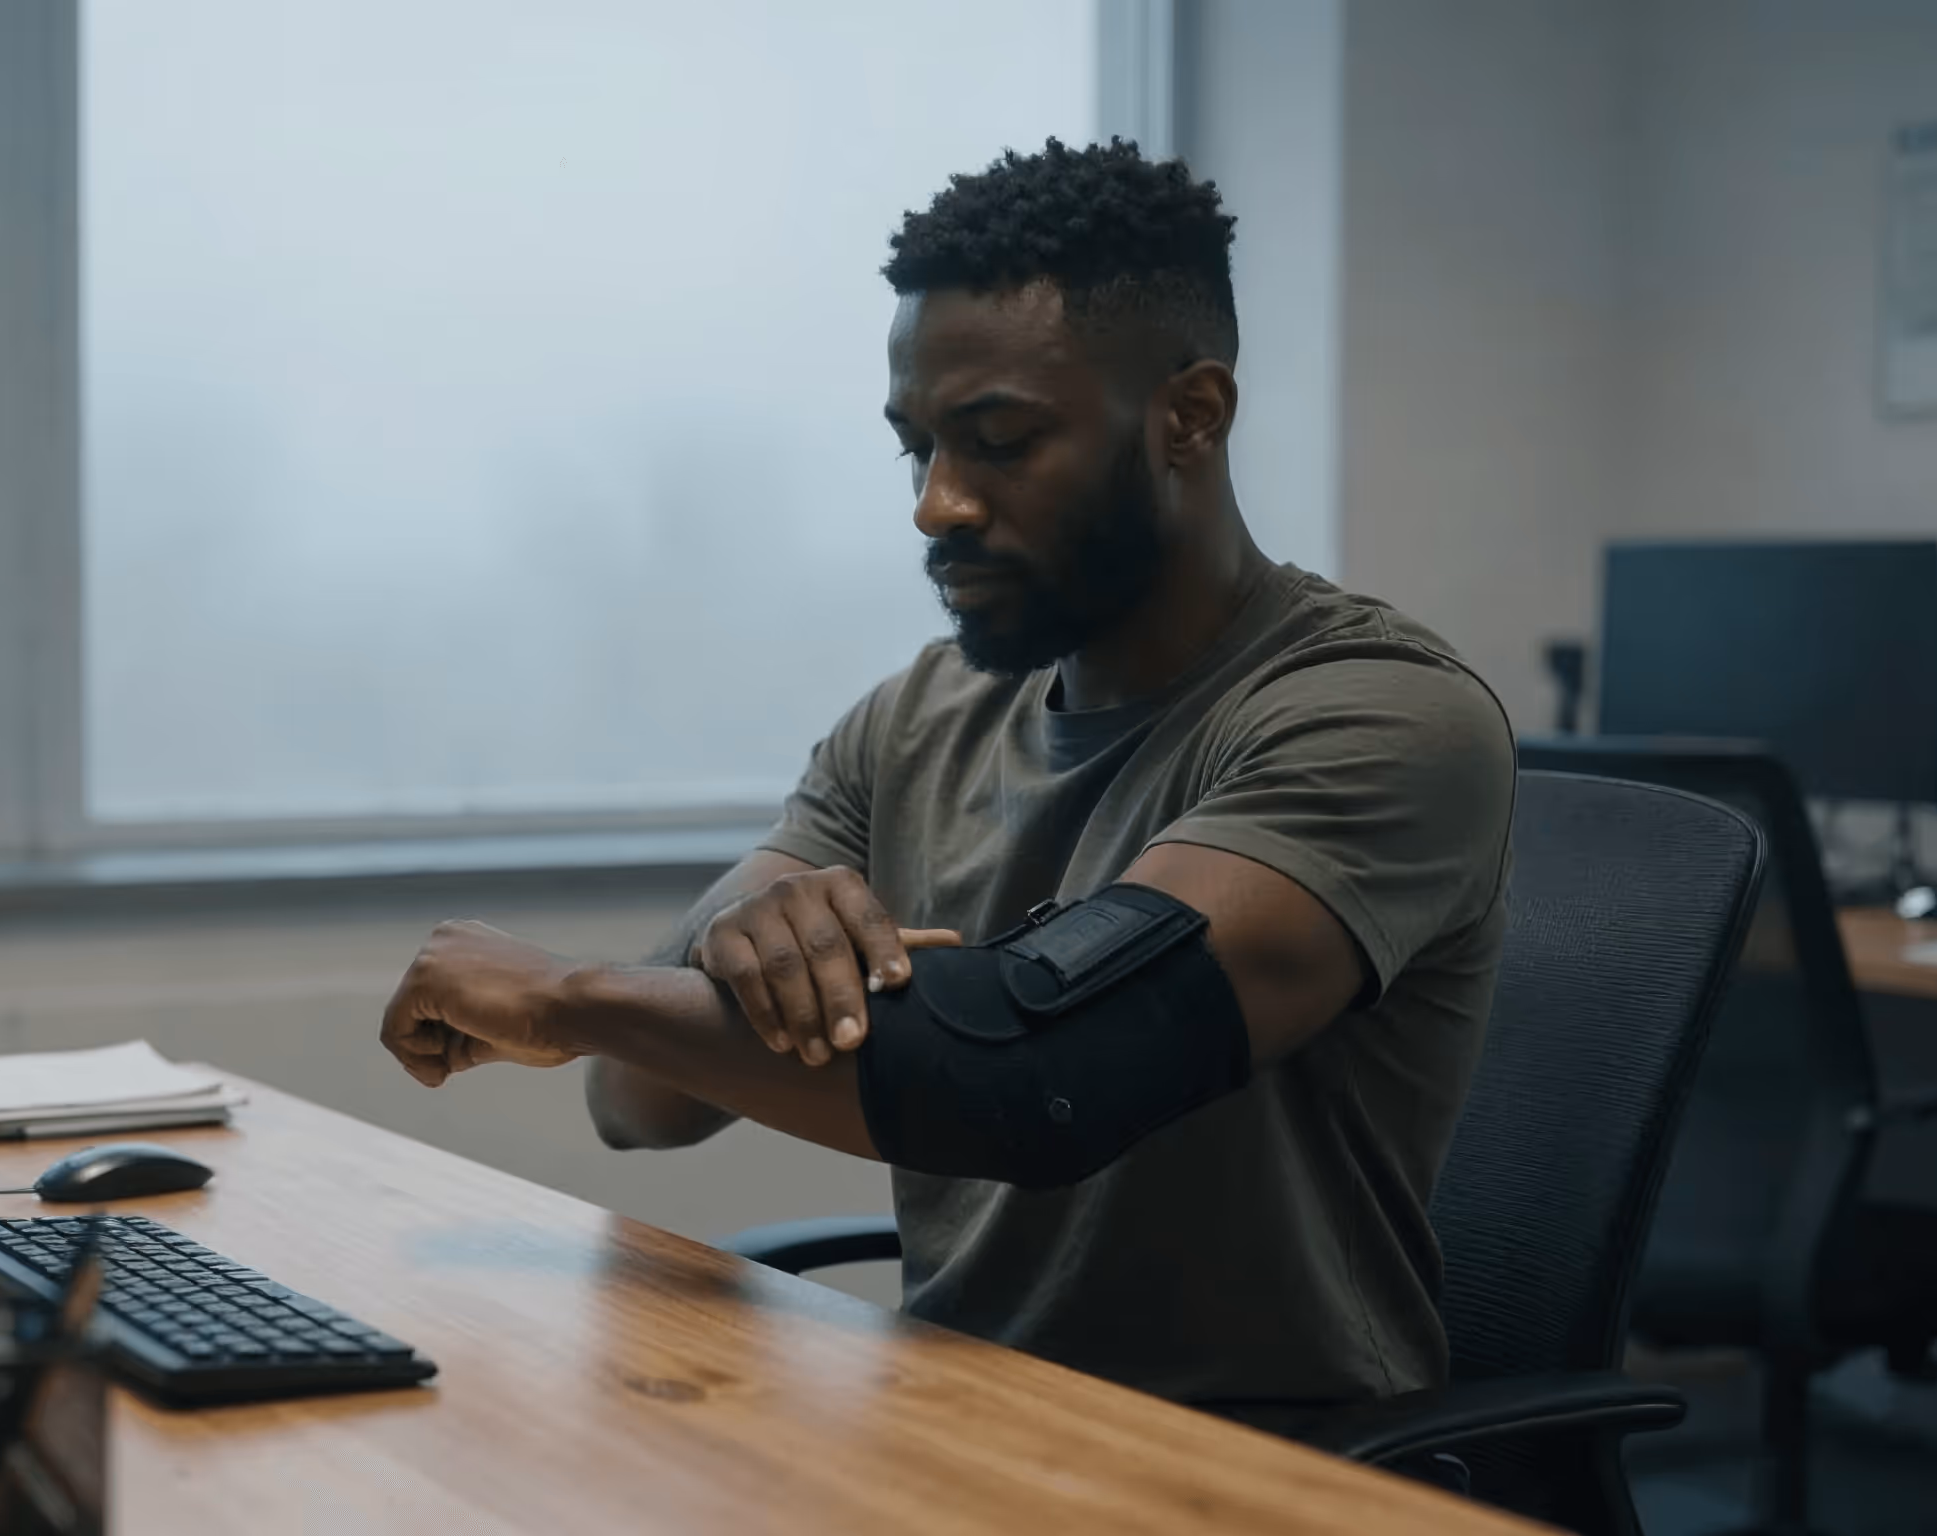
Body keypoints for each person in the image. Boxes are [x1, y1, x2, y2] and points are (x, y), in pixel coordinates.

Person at [377, 137, 1514, 1410]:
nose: (937, 504)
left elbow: (1040, 1081)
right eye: (916, 446)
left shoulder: (1379, 717)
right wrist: (750, 940)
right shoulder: (921, 718)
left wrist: (568, 991)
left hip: (1266, 1464)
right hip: (961, 1421)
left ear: (1190, 416)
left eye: (999, 441)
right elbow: (642, 1103)